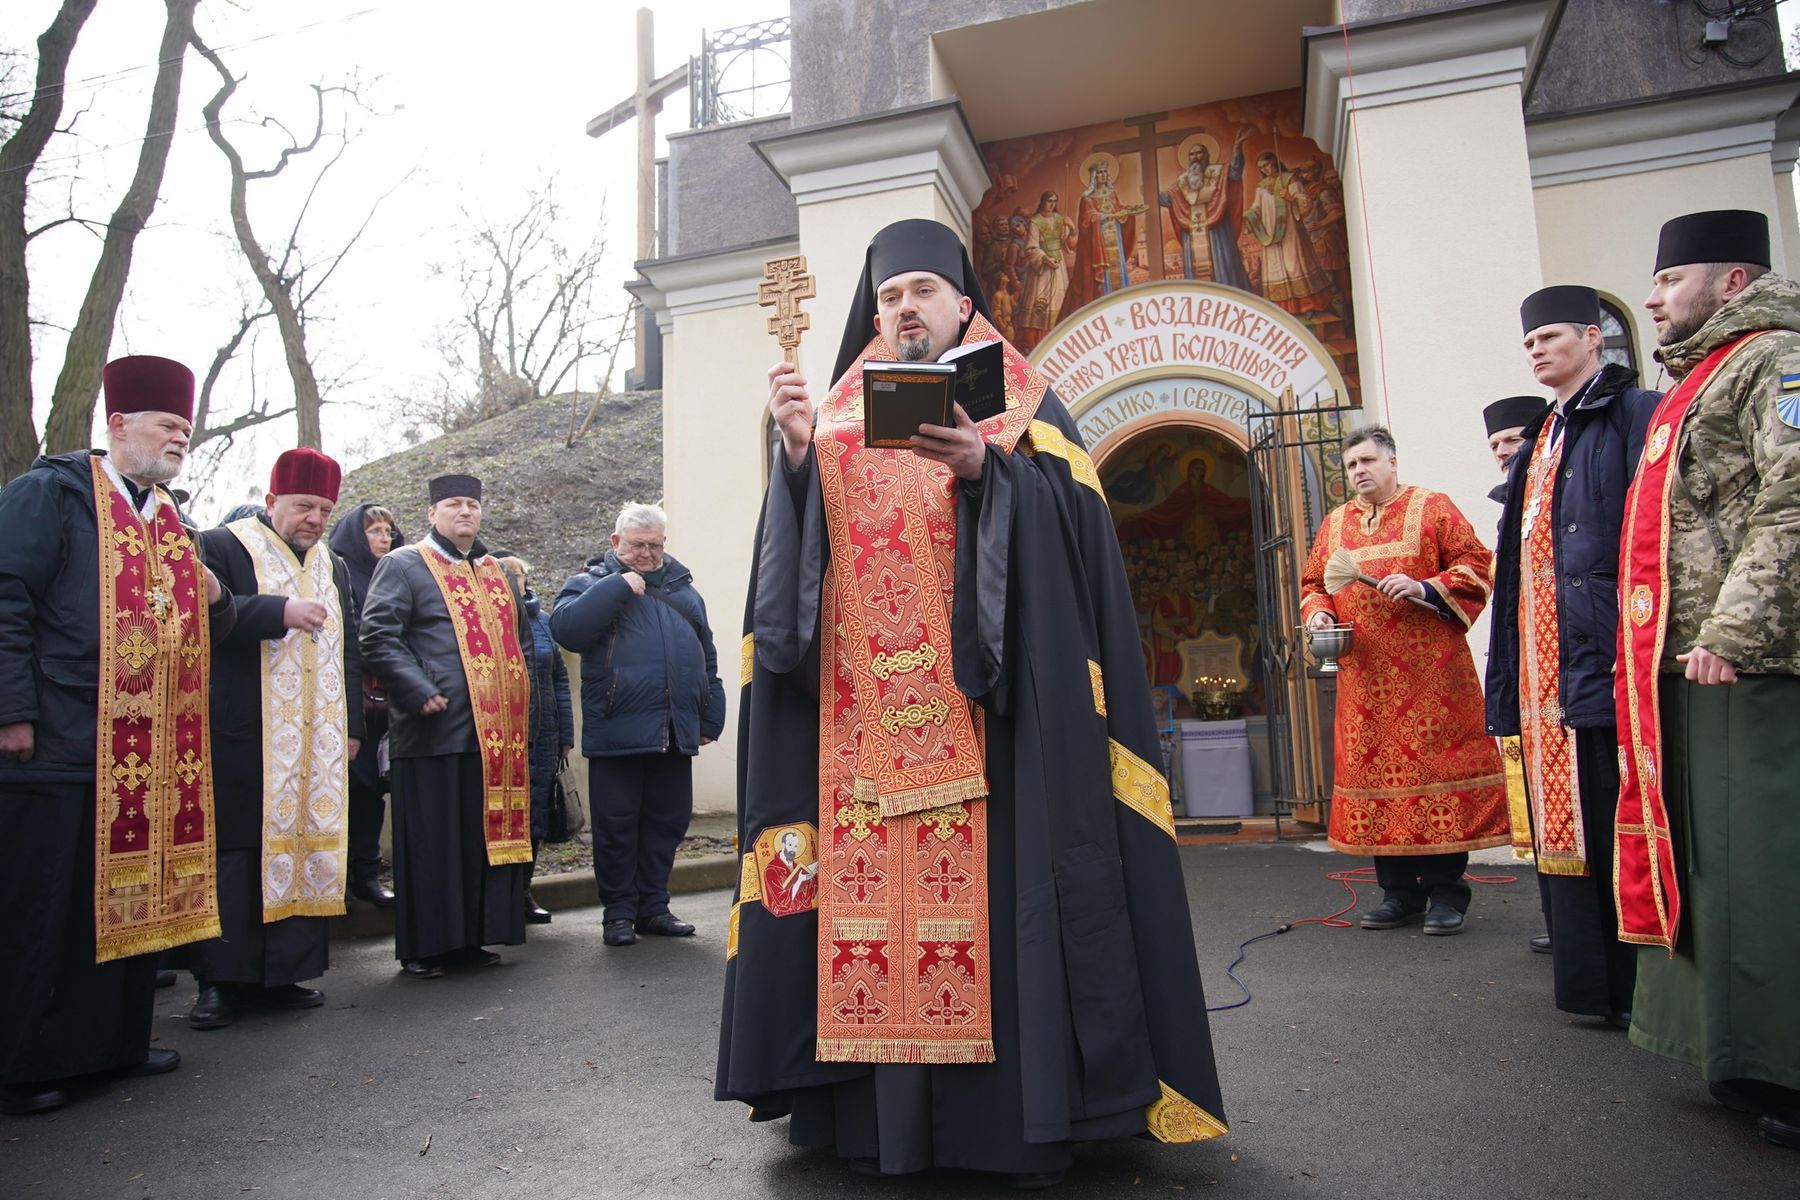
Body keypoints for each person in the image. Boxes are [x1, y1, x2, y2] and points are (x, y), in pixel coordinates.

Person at [720, 217, 1226, 1184]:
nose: (904, 310)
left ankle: (1018, 1118)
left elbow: (1079, 544)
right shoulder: (827, 419)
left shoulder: (1025, 406)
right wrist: (791, 462)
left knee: (1005, 926)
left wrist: (990, 476)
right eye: (888, 298)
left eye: (920, 291)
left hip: (997, 737)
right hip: (857, 745)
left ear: (963, 305)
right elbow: (786, 605)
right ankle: (871, 1121)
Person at [0, 356, 234, 1116]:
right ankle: (27, 1063)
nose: (179, 439)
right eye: (168, 425)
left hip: (152, 752)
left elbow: (210, 626)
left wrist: (217, 594)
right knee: (49, 907)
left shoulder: (173, 522)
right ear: (118, 425)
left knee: (132, 900)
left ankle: (114, 1045)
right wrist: (12, 710)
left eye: (186, 430)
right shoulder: (52, 494)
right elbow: (7, 598)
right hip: (63, 737)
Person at [1615, 209, 1800, 1149]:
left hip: (1752, 660)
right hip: (1688, 663)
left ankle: (1788, 1062)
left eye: (1669, 279)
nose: (1650, 297)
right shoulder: (1704, 374)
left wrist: (1733, 625)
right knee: (1716, 864)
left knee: (1768, 866)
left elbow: (1796, 488)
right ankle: (1735, 1050)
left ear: (1732, 282)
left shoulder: (1778, 360)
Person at [1484, 286, 1658, 1025]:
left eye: (1550, 336)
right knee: (1574, 830)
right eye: (1529, 341)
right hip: (1544, 671)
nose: (1536, 349)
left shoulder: (1631, 413)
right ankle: (1592, 990)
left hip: (1602, 659)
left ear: (1594, 338)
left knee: (1616, 824)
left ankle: (1635, 990)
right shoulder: (1547, 434)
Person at [1301, 425, 1508, 936]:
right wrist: (1319, 616)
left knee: (1436, 778)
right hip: (1367, 683)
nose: (1359, 472)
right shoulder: (1334, 525)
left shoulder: (1433, 506)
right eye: (1351, 465)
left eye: (1368, 461)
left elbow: (1477, 563)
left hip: (1432, 679)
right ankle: (1398, 894)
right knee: (1375, 780)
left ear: (1392, 463)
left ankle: (1446, 894)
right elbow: (1314, 582)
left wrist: (1425, 585)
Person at [183, 449, 364, 1030]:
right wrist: (276, 611)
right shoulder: (221, 545)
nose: (314, 518)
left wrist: (354, 725)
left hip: (317, 739)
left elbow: (351, 648)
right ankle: (221, 982)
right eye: (303, 506)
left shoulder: (332, 564)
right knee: (236, 854)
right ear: (271, 502)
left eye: (324, 509)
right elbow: (198, 622)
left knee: (307, 842)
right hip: (240, 733)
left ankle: (283, 974)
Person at [358, 475, 533, 979]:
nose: (466, 512)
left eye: (473, 504)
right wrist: (418, 690)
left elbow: (519, 642)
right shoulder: (404, 564)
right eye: (454, 504)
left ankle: (471, 939)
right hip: (434, 730)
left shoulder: (495, 569)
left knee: (477, 844)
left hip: (496, 734)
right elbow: (378, 636)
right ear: (432, 513)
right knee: (435, 844)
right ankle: (427, 947)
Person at [550, 504, 724, 948]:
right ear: (615, 543)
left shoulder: (686, 592)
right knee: (617, 827)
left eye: (654, 545)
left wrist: (711, 714)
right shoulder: (588, 584)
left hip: (674, 732)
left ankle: (654, 907)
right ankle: (619, 914)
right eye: (637, 545)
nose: (647, 554)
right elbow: (567, 630)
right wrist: (617, 587)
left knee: (667, 822)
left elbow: (707, 655)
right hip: (618, 732)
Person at [1481, 393, 1553, 944]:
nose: (1506, 452)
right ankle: (1559, 919)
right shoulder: (1511, 501)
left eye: (1513, 441)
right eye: (1496, 444)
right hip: (1521, 664)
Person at [328, 502, 406, 908]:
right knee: (348, 790)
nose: (383, 538)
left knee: (375, 791)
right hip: (351, 700)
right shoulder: (339, 572)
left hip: (391, 703)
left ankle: (366, 875)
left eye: (388, 531)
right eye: (374, 530)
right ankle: (337, 878)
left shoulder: (398, 572)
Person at [496, 555, 574, 925]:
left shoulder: (542, 622)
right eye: (507, 575)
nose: (516, 581)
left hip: (544, 734)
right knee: (502, 814)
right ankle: (499, 894)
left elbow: (559, 680)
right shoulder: (490, 621)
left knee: (535, 815)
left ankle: (523, 891)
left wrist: (566, 736)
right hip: (502, 734)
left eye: (519, 575)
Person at [1242, 152, 1333, 317]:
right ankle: (1284, 309)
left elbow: (1305, 201)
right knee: (1278, 268)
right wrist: (1248, 216)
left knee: (1295, 264)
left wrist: (1290, 197)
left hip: (1290, 229)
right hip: (1271, 233)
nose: (1265, 169)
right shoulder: (1261, 186)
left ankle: (1308, 306)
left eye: (1267, 164)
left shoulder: (1289, 179)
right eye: (1262, 167)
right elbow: (1256, 207)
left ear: (1275, 163)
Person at [1160, 129, 1251, 289]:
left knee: (1224, 266)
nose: (1195, 157)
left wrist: (1237, 148)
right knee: (1197, 273)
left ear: (1208, 156)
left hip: (1218, 233)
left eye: (1199, 153)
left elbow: (1235, 173)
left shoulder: (1219, 173)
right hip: (1192, 236)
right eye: (1192, 154)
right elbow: (1168, 199)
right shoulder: (1182, 182)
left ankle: (1230, 297)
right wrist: (1149, 192)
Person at [1019, 191, 1072, 350]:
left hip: (1058, 267)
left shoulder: (1059, 219)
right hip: (1041, 270)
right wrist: (1044, 259)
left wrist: (1070, 227)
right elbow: (1030, 248)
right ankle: (1037, 345)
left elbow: (1066, 242)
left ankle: (1058, 342)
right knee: (1039, 303)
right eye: (1049, 201)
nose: (1052, 204)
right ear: (1043, 202)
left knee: (1059, 301)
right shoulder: (1035, 222)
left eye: (1054, 201)